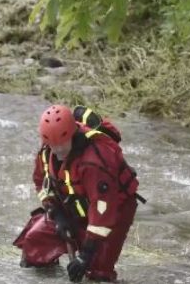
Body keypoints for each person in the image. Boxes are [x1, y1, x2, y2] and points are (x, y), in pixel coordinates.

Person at [14, 104, 140, 282]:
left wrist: (85, 255)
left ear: (73, 134)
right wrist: (57, 215)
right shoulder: (47, 150)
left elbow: (102, 210)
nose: (57, 151)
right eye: (53, 145)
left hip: (112, 211)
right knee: (35, 243)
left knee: (96, 274)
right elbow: (42, 183)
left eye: (62, 145)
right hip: (72, 207)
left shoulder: (93, 162)